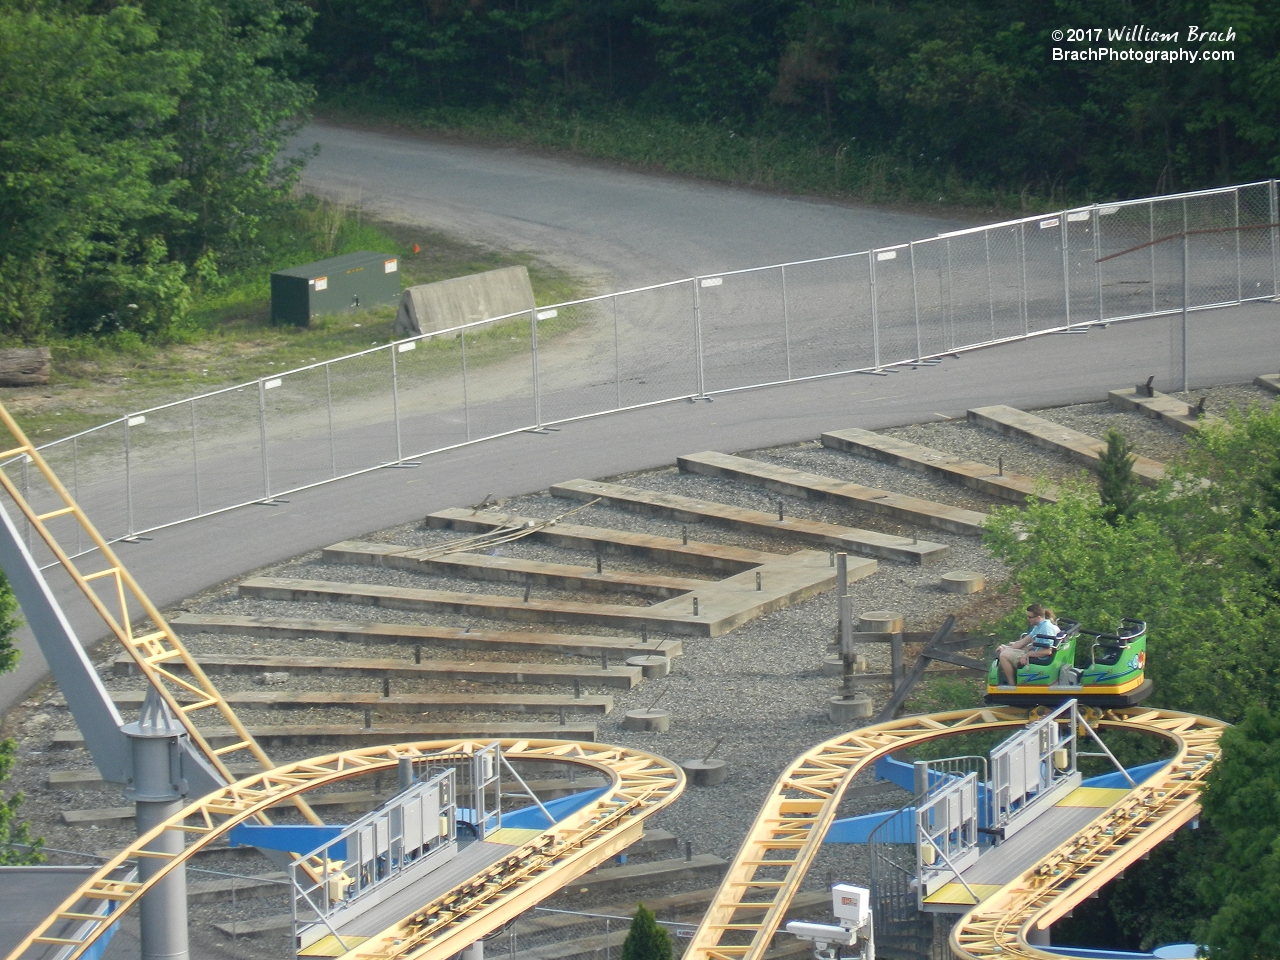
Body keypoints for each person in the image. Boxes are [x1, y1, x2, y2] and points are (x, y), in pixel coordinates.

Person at [996, 604, 1058, 687]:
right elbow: (1023, 642)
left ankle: (1012, 686)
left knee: (1003, 655)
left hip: (1039, 657)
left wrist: (1027, 655)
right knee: (1005, 651)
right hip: (1034, 651)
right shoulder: (1039, 626)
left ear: (1038, 617)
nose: (1028, 619)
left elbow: (1047, 651)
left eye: (1030, 617)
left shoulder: (1046, 629)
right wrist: (1006, 647)